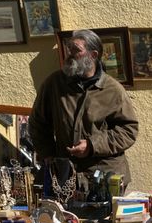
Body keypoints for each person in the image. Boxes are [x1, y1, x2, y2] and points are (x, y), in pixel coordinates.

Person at [28, 29, 139, 189]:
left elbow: (129, 130)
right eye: (69, 50)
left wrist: (92, 145)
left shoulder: (112, 89)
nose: (70, 55)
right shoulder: (54, 84)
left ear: (93, 55)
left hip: (104, 176)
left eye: (76, 50)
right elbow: (38, 123)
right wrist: (49, 155)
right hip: (65, 175)